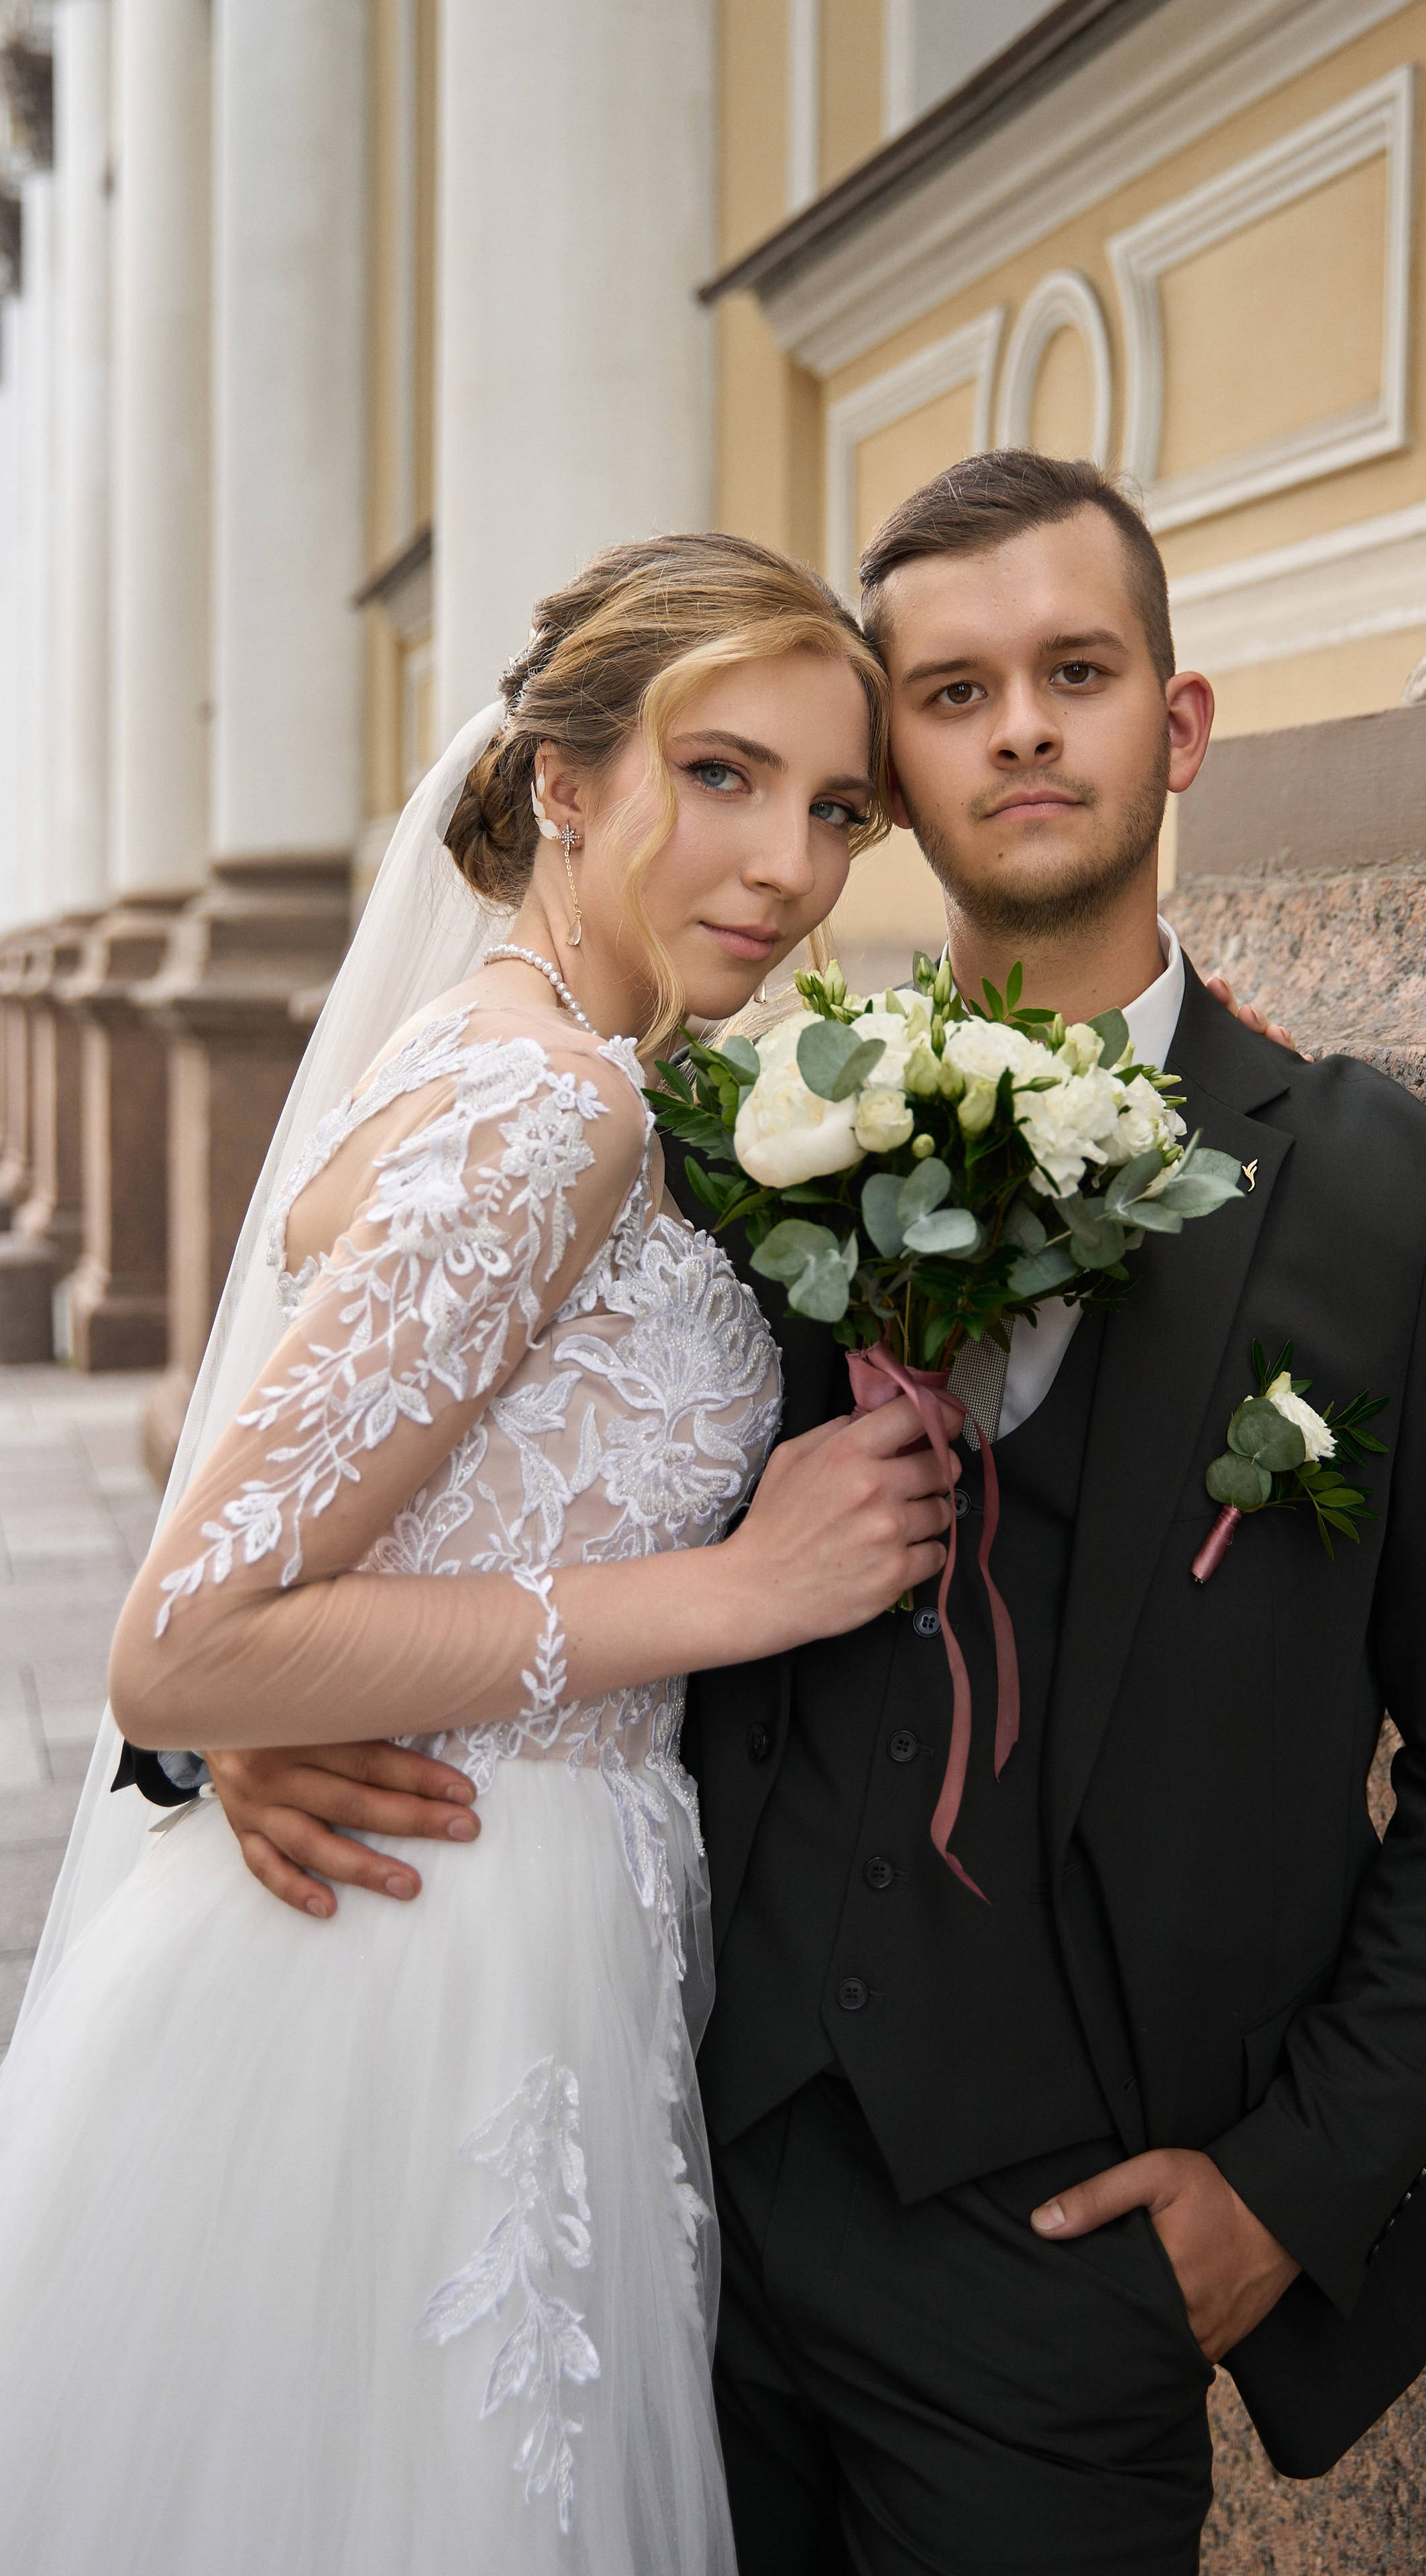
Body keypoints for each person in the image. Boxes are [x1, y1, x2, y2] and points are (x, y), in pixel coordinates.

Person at [190, 457, 1426, 2571]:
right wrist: (222, 1714)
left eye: (1080, 670)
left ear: (1178, 725)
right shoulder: (734, 1140)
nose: (1022, 724)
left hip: (1067, 2262)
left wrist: (1289, 2190)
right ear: (898, 786)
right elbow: (413, 1453)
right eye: (953, 694)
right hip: (675, 2191)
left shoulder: (1385, 1198)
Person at [0, 533, 976, 2575]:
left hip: (493, 1903)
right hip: (431, 1945)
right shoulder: (547, 1107)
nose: (789, 868)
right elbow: (185, 1646)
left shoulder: (564, 1066)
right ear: (566, 783)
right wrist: (734, 1592)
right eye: (722, 777)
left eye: (833, 809)